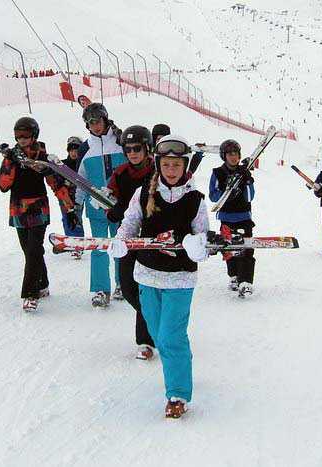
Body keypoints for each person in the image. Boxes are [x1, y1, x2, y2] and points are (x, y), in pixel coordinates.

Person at [107, 134, 210, 419]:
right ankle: (181, 364)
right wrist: (120, 241)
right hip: (147, 274)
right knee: (158, 334)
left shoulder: (195, 201)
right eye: (166, 164)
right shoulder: (144, 193)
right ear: (159, 165)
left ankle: (177, 393)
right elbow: (130, 222)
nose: (171, 170)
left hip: (180, 279)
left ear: (185, 165)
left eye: (177, 164)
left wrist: (196, 246)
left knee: (170, 335)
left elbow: (203, 243)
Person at [0, 117, 80, 311]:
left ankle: (30, 293)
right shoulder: (13, 156)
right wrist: (10, 161)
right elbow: (3, 185)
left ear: (34, 135)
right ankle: (42, 283)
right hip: (18, 208)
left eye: (25, 135)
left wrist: (69, 209)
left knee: (34, 249)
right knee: (30, 251)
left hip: (38, 208)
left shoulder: (43, 158)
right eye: (18, 135)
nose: (22, 139)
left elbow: (57, 185)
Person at [106, 125, 156, 359]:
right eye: (128, 149)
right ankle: (155, 319)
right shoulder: (120, 173)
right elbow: (108, 199)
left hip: (153, 237)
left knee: (146, 287)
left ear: (147, 148)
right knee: (128, 288)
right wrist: (112, 211)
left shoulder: (159, 171)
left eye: (137, 148)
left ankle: (146, 341)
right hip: (127, 237)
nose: (133, 153)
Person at [76, 103, 127, 307]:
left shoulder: (120, 142)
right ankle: (100, 289)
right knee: (98, 248)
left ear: (105, 119)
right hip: (96, 208)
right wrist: (75, 207)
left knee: (120, 245)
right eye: (90, 123)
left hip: (119, 207)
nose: (95, 126)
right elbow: (80, 179)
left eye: (97, 121)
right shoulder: (85, 149)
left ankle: (122, 283)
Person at [208, 139, 256, 297]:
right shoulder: (217, 173)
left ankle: (246, 281)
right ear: (224, 156)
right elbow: (213, 197)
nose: (233, 157)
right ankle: (234, 276)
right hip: (226, 218)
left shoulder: (244, 173)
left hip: (243, 217)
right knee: (229, 249)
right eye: (230, 154)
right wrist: (227, 191)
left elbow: (249, 197)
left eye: (236, 154)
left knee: (246, 248)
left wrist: (247, 181)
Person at [57, 136, 86, 259]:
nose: (74, 153)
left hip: (78, 196)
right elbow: (56, 179)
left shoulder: (82, 164)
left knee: (76, 217)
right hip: (64, 196)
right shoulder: (63, 164)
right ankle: (70, 242)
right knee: (66, 218)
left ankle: (78, 246)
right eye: (71, 150)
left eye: (76, 150)